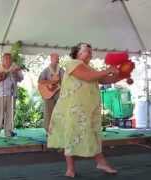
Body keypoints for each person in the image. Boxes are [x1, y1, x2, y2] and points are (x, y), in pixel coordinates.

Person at [47, 43, 122, 177]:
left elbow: (105, 80)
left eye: (90, 51)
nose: (90, 53)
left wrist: (120, 74)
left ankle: (101, 162)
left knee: (92, 134)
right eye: (87, 51)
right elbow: (88, 77)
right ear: (78, 53)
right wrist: (108, 69)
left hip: (87, 110)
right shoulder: (72, 64)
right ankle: (70, 169)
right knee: (70, 136)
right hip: (72, 109)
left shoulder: (90, 68)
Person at [0, 53, 24, 138]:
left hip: (12, 94)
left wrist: (16, 73)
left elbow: (21, 78)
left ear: (11, 60)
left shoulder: (15, 67)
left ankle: (9, 132)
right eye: (5, 58)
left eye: (9, 59)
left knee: (10, 114)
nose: (7, 60)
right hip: (0, 94)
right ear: (2, 60)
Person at [38, 53, 65, 134]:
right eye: (56, 58)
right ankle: (48, 130)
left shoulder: (61, 70)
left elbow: (66, 81)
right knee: (48, 111)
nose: (58, 59)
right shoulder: (46, 70)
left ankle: (58, 130)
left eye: (58, 58)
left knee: (59, 111)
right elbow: (40, 81)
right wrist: (52, 82)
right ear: (51, 59)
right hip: (48, 93)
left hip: (59, 93)